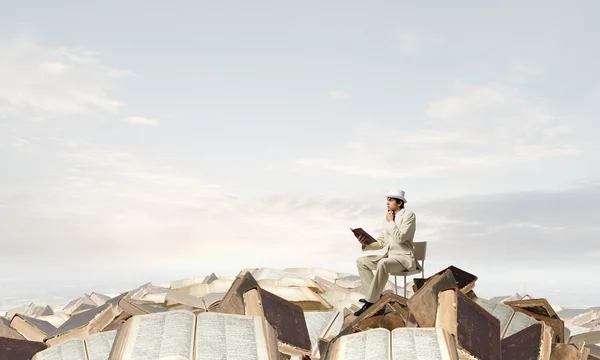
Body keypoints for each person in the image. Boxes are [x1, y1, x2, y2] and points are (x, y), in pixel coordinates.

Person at [353, 188, 417, 316]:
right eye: (387, 200)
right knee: (361, 261)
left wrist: (390, 222)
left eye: (390, 200)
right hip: (389, 257)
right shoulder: (387, 218)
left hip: (403, 259)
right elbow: (381, 242)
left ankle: (370, 302)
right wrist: (365, 244)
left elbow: (400, 238)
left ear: (399, 203)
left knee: (383, 263)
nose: (387, 202)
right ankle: (373, 296)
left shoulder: (409, 216)